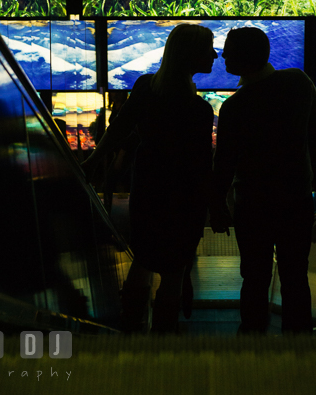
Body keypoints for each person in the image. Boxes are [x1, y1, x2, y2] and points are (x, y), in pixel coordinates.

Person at [83, 23, 216, 333]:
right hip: (182, 197)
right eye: (209, 48)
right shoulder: (198, 109)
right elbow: (200, 167)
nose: (215, 54)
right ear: (191, 55)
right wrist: (210, 206)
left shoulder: (145, 88)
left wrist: (92, 160)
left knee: (142, 259)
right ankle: (162, 343)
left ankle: (129, 331)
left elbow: (119, 129)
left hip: (147, 188)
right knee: (174, 272)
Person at [209, 26, 316, 334]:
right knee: (295, 275)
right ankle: (299, 344)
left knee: (255, 276)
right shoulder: (299, 82)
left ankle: (252, 343)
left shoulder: (234, 107)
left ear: (243, 57)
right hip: (296, 199)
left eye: (229, 50)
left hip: (252, 204)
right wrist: (310, 171)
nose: (223, 55)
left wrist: (217, 203)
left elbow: (224, 163)